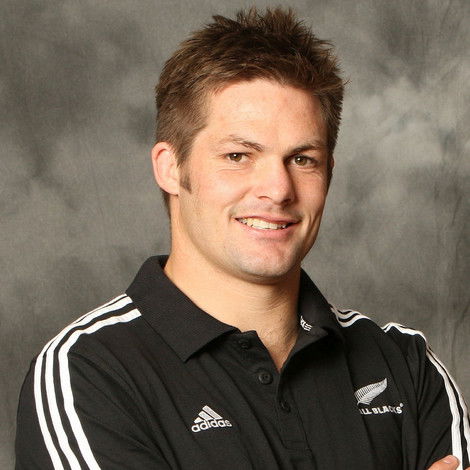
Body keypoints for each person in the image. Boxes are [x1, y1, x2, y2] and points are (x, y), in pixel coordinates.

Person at [16, 7, 469, 470]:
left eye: (303, 159)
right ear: (170, 168)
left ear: (329, 173)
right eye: (238, 155)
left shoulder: (406, 364)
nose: (278, 189)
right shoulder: (87, 372)